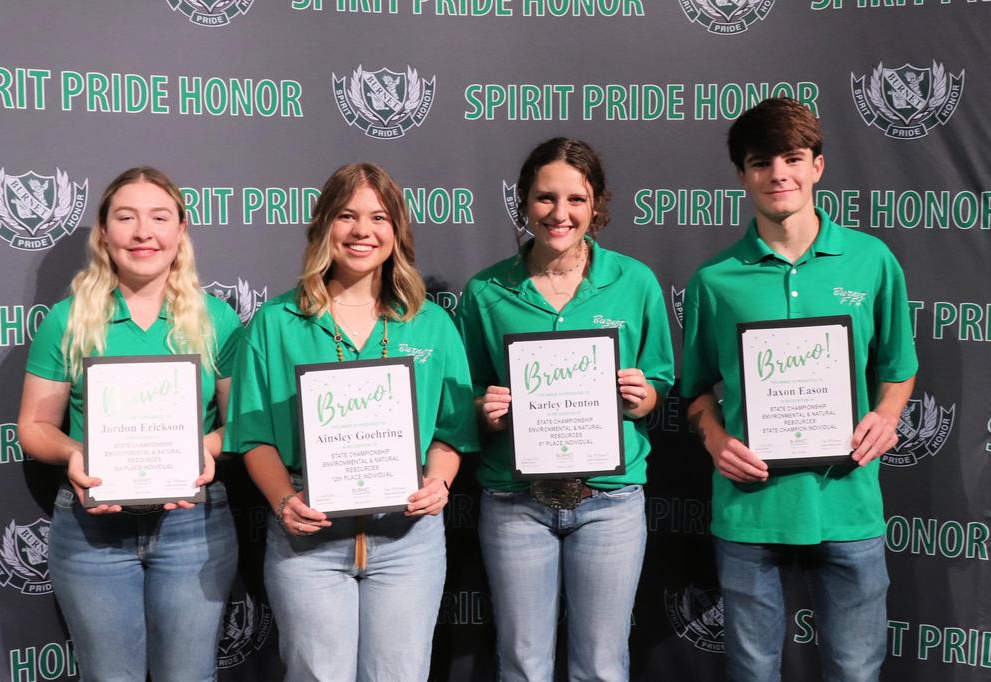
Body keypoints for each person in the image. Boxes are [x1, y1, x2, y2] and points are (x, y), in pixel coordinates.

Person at [679, 97, 918, 682]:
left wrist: (887, 415)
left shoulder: (871, 261)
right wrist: (715, 440)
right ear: (742, 175)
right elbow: (695, 391)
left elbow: (899, 368)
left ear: (817, 165)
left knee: (855, 671)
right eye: (761, 162)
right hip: (750, 509)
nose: (778, 174)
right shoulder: (714, 280)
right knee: (752, 672)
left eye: (792, 158)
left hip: (848, 502)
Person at [225, 162, 478, 682]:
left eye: (379, 217)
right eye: (347, 215)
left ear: (397, 230)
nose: (363, 231)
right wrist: (283, 502)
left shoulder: (432, 323)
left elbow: (451, 430)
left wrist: (439, 481)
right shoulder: (276, 322)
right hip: (309, 536)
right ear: (323, 225)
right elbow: (254, 436)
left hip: (407, 538)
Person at [455, 137, 675, 681]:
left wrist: (642, 396)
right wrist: (485, 408)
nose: (560, 213)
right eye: (545, 198)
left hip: (610, 499)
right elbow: (466, 393)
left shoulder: (635, 281)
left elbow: (660, 381)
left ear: (596, 204)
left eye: (576, 199)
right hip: (515, 499)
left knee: (600, 665)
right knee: (523, 664)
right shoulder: (485, 291)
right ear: (524, 203)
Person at [18, 167, 242, 681]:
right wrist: (74, 454)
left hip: (193, 525)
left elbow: (242, 425)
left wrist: (206, 448)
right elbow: (34, 425)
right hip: (92, 529)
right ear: (104, 232)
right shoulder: (68, 320)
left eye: (159, 218)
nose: (144, 233)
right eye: (126, 218)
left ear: (180, 230)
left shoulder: (217, 320)